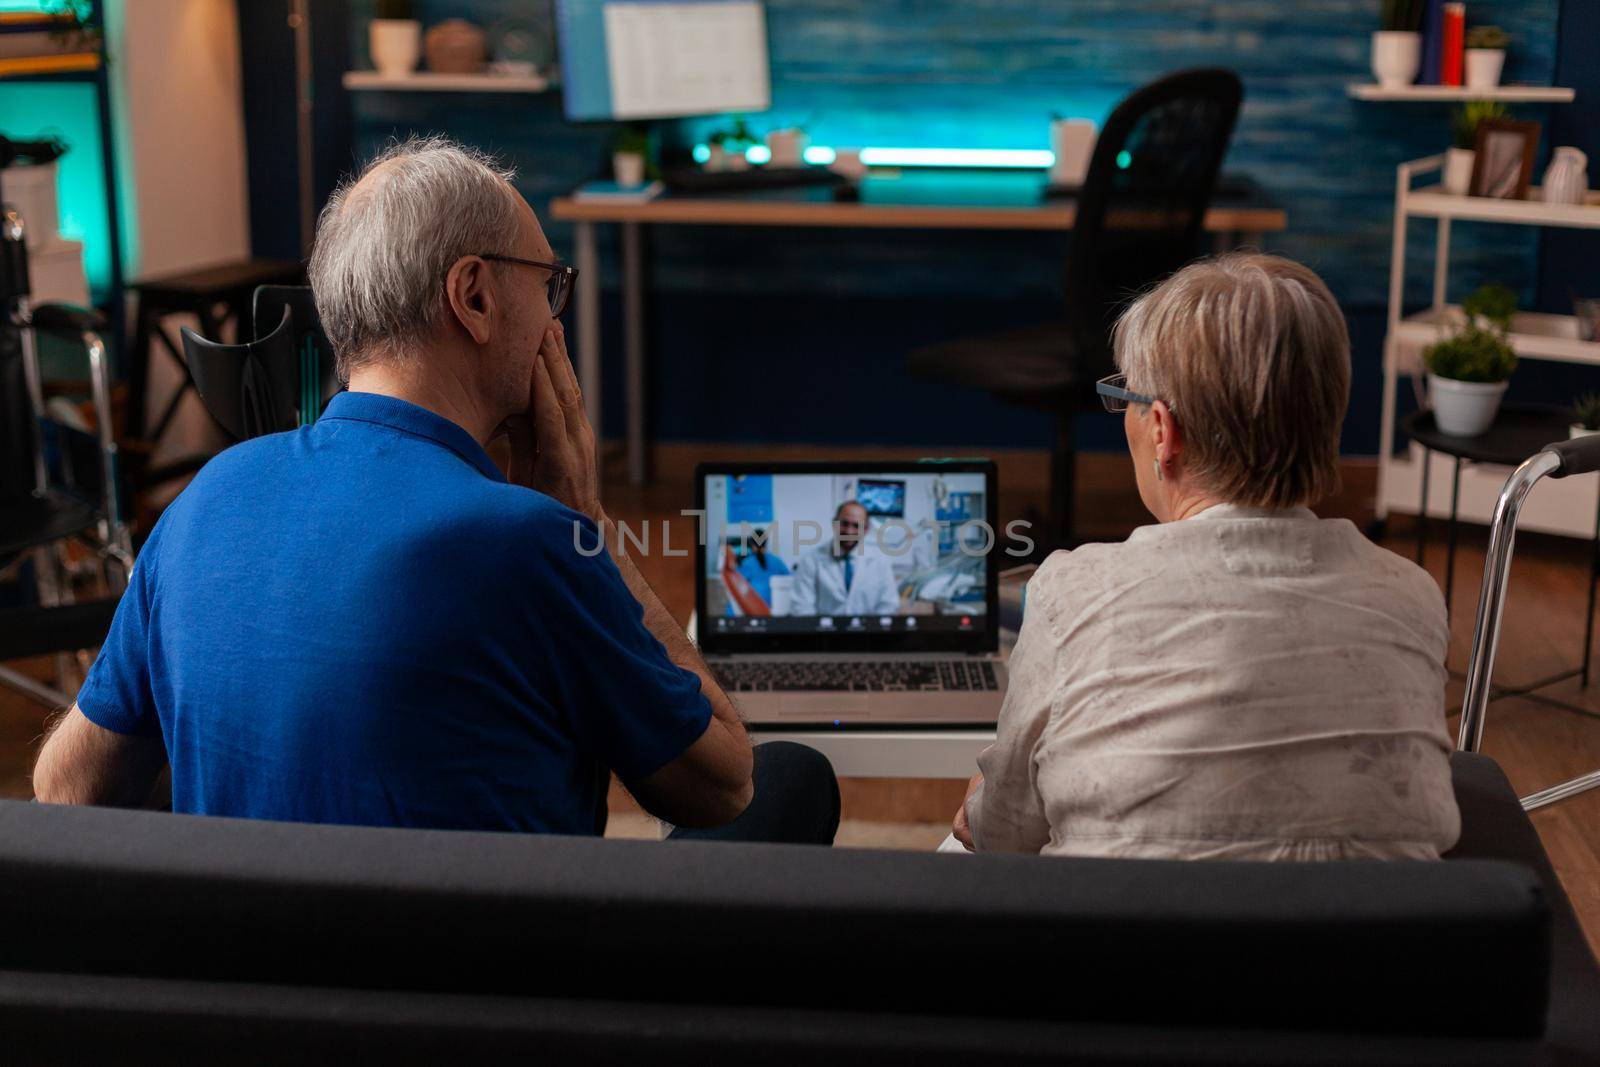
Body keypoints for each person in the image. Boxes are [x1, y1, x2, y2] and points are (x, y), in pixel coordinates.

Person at [31, 137, 838, 846]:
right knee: (792, 777)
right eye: (549, 285)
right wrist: (583, 522)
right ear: (475, 295)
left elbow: (67, 786)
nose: (555, 323)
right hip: (483, 1010)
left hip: (252, 1000)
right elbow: (724, 784)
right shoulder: (527, 539)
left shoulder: (207, 494)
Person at [951, 252, 1459, 861]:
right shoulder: (1412, 596)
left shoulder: (1071, 591)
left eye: (1126, 400)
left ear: (1163, 431)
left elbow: (1003, 836)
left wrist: (984, 803)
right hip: (1367, 950)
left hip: (1126, 941)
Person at [789, 501, 901, 617]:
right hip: (823, 632)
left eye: (856, 526)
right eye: (844, 524)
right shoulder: (811, 560)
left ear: (866, 529)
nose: (849, 531)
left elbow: (888, 605)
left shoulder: (880, 561)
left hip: (868, 633)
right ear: (834, 523)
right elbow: (801, 607)